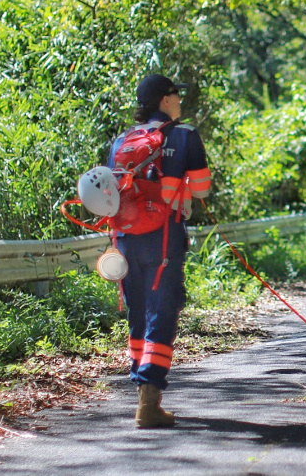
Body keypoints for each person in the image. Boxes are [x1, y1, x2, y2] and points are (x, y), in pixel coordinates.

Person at [107, 73, 212, 428]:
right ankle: (149, 401)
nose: (179, 100)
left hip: (124, 239)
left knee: (138, 313)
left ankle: (142, 393)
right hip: (163, 236)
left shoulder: (121, 140)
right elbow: (200, 189)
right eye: (175, 95)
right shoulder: (183, 134)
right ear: (165, 100)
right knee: (162, 312)